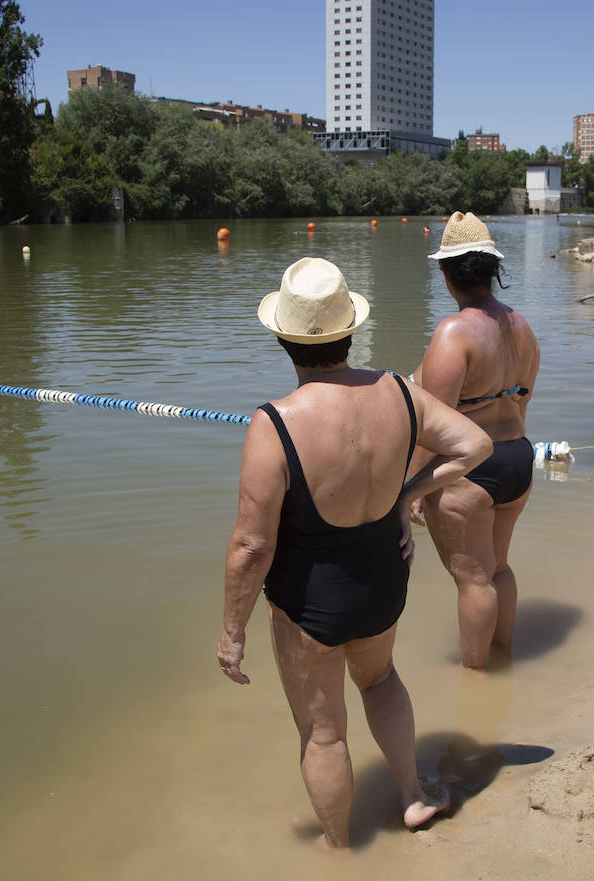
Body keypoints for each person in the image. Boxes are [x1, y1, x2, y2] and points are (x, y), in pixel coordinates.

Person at [217, 257, 492, 849]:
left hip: (310, 601)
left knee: (323, 734)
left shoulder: (275, 423)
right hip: (384, 581)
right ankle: (415, 798)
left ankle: (339, 850)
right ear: (350, 329)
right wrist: (409, 495)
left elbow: (251, 544)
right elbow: (475, 444)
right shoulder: (398, 390)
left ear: (283, 338)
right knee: (382, 679)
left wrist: (232, 631)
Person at [411, 212, 541, 670]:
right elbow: (522, 402)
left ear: (446, 273)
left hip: (471, 470)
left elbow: (435, 423)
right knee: (497, 569)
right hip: (518, 457)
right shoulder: (522, 326)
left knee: (472, 580)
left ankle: (475, 678)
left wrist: (413, 487)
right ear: (491, 270)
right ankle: (503, 656)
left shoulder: (453, 332)